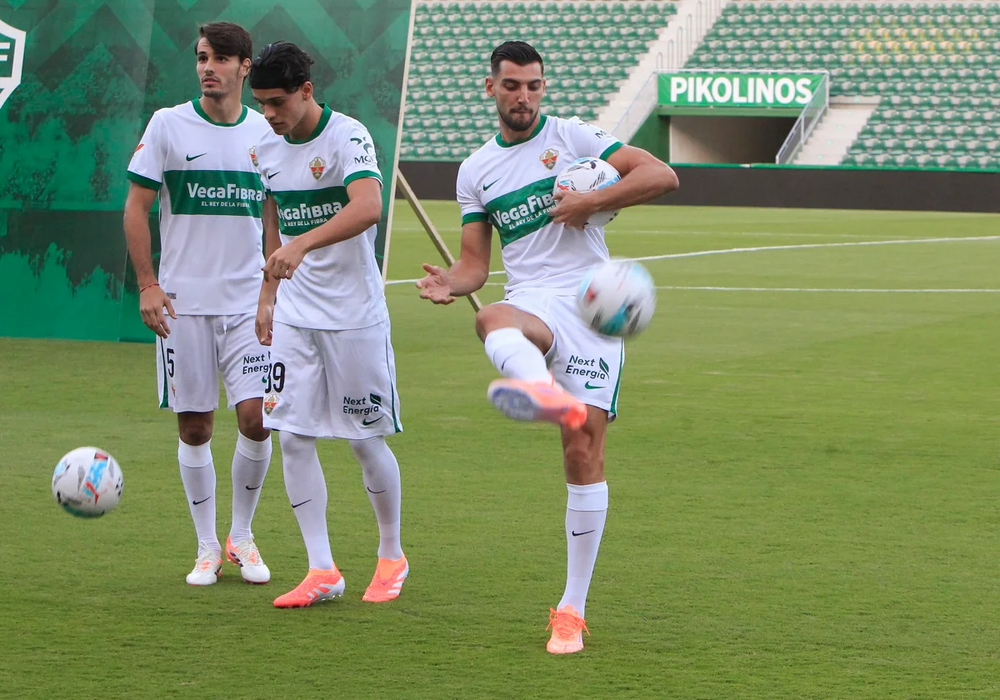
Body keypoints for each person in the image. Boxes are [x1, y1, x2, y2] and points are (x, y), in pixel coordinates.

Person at [416, 40, 679, 654]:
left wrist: (591, 201)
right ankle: (538, 391)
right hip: (532, 296)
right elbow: (475, 266)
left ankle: (571, 609)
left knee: (582, 451)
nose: (524, 96)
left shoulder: (575, 136)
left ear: (543, 87)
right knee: (491, 318)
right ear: (491, 88)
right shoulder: (476, 170)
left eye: (533, 85)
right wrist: (451, 283)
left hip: (592, 301)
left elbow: (661, 175)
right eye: (512, 85)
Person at [249, 41, 407, 608]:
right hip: (295, 316)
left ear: (306, 90)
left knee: (365, 440)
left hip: (354, 316)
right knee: (292, 436)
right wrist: (268, 293)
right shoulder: (264, 147)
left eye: (278, 101)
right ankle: (322, 569)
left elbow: (368, 207)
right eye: (262, 103)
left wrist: (303, 245)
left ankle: (391, 554)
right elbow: (272, 218)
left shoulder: (347, 135)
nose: (270, 113)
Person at [123, 23, 273, 586]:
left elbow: (273, 219)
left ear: (245, 67)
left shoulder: (266, 131)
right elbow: (135, 208)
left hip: (247, 306)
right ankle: (206, 546)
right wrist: (148, 284)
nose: (208, 67)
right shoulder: (167, 124)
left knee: (258, 419)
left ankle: (242, 536)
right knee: (195, 428)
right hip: (182, 306)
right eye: (202, 57)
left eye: (221, 58)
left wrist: (271, 292)